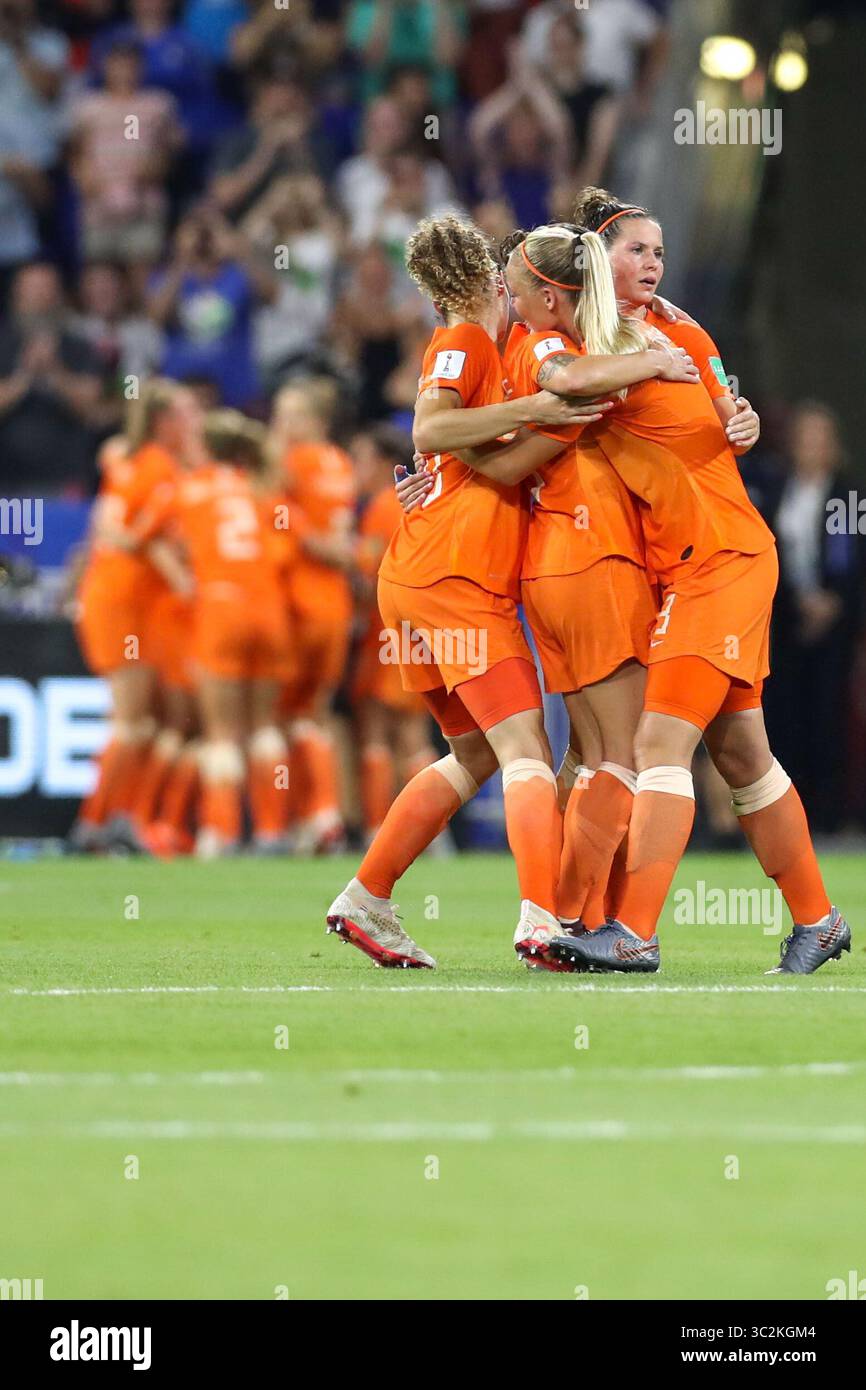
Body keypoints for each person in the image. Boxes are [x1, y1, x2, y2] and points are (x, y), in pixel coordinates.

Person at [325, 213, 667, 969]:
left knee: (474, 755)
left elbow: (483, 455)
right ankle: (541, 919)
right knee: (527, 757)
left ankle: (368, 896)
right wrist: (541, 411)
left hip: (422, 577)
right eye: (507, 281)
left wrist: (535, 427)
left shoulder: (495, 352)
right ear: (488, 281)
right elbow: (428, 430)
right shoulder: (467, 340)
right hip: (455, 578)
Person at [507, 224, 850, 976]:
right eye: (636, 250)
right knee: (742, 756)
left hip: (716, 560)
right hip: (700, 561)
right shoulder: (630, 339)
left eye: (660, 250)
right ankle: (819, 921)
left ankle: (632, 932)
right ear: (600, 265)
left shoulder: (662, 335)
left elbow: (706, 403)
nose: (654, 263)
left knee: (657, 748)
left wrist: (741, 417)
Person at [349, 424, 438, 843]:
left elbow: (368, 577)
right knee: (417, 733)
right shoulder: (424, 495)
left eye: (363, 459)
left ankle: (379, 829)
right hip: (429, 627)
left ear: (385, 462)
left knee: (380, 732)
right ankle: (431, 834)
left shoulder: (383, 503)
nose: (356, 469)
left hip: (388, 632)